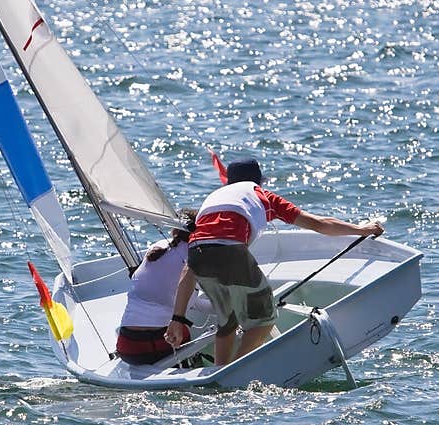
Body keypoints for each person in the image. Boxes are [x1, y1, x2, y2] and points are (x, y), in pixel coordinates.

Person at [164, 157, 385, 367]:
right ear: (259, 180)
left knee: (228, 320)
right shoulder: (262, 194)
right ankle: (233, 370)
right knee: (265, 318)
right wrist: (362, 229)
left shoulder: (211, 202)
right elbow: (320, 224)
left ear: (227, 182)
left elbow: (188, 270)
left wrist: (177, 318)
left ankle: (219, 371)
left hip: (197, 254)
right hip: (230, 253)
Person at [116, 209, 202, 366]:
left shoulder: (157, 247)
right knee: (184, 328)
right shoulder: (196, 254)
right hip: (163, 343)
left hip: (127, 347)